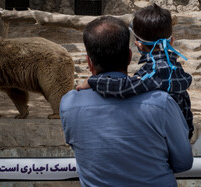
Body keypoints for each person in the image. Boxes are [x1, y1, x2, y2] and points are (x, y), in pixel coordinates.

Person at [60, 15, 193, 186]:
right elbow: (183, 162)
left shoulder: (68, 104)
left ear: (89, 61)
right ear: (129, 57)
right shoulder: (162, 102)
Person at [76, 3, 194, 139]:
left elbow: (124, 88)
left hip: (159, 138)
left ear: (138, 44)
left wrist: (93, 81)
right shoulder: (175, 68)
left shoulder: (155, 72)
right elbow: (185, 108)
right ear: (171, 41)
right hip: (178, 136)